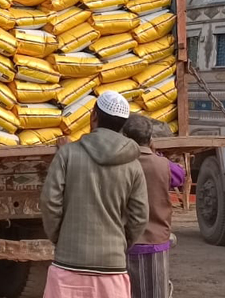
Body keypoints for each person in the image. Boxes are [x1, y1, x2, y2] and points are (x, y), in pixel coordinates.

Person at [40, 91, 149, 298]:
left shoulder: (68, 154)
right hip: (112, 267)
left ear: (93, 117)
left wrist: (60, 237)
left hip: (68, 262)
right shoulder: (133, 166)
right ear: (123, 125)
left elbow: (50, 202)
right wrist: (120, 243)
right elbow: (140, 216)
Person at [121, 115, 186, 298]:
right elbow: (180, 175)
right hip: (155, 245)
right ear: (151, 139)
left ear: (125, 138)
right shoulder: (163, 165)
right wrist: (157, 155)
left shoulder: (119, 164)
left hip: (124, 244)